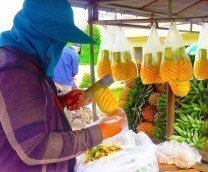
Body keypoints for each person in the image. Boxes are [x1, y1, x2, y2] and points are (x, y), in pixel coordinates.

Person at [0, 0, 127, 171]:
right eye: (58, 40)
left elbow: (18, 112)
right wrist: (102, 131)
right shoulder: (15, 71)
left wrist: (59, 101)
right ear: (43, 37)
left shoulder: (28, 62)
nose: (61, 47)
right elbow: (35, 148)